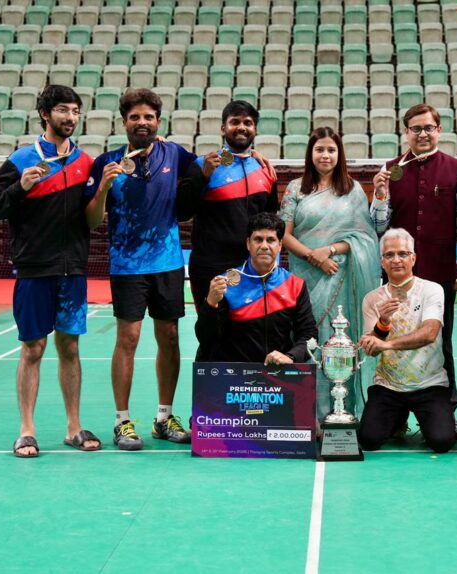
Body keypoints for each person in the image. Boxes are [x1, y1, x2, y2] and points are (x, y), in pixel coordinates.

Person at [0, 84, 100, 457]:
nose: (70, 117)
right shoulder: (21, 160)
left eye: (76, 111)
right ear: (45, 114)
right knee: (33, 347)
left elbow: (92, 215)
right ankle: (27, 430)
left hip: (72, 268)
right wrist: (20, 187)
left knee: (70, 346)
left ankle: (73, 427)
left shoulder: (85, 162)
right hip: (34, 268)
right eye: (64, 110)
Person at [85, 88, 194, 450]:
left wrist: (252, 155)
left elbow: (212, 167)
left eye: (148, 117)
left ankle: (164, 418)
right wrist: (103, 187)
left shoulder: (174, 153)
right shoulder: (106, 162)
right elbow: (91, 221)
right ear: (124, 122)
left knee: (170, 337)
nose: (142, 122)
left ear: (159, 122)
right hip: (127, 266)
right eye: (135, 117)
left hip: (168, 263)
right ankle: (122, 421)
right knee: (128, 339)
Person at [371, 103, 457, 441]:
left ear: (439, 130)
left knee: (441, 344)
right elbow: (378, 226)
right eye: (415, 128)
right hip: (395, 279)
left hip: (440, 275)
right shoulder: (388, 170)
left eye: (428, 127)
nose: (422, 134)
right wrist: (379, 196)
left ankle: (449, 412)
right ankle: (396, 416)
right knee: (392, 341)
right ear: (406, 132)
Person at [279, 127, 380, 422]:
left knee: (340, 340)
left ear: (340, 154)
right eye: (320, 149)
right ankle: (308, 415)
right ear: (310, 153)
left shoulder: (352, 190)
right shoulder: (296, 189)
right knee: (309, 338)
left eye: (331, 150)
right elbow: (283, 234)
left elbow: (365, 237)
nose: (325, 155)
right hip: (305, 278)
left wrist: (330, 250)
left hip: (343, 279)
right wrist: (314, 257)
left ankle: (342, 410)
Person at [182, 100, 279, 361]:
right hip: (210, 267)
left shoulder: (265, 169)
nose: (241, 127)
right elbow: (182, 212)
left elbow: (271, 221)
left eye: (248, 123)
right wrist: (203, 176)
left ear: (255, 129)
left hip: (252, 267)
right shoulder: (204, 164)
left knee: (251, 335)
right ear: (223, 127)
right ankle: (211, 388)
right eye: (235, 122)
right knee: (211, 335)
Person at [357, 228, 457, 453]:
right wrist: (383, 322)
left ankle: (422, 416)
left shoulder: (432, 290)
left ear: (413, 258)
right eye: (389, 255)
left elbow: (430, 333)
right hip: (388, 385)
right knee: (369, 440)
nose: (396, 260)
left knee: (442, 442)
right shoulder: (372, 299)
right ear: (382, 262)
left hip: (429, 384)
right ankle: (398, 417)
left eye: (403, 254)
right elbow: (372, 349)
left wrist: (388, 344)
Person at [199, 213, 317, 364]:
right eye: (258, 239)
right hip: (235, 373)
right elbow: (206, 339)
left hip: (277, 371)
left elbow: (309, 335)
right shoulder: (225, 284)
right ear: (248, 244)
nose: (264, 246)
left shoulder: (295, 285)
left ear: (280, 245)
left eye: (271, 240)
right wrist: (210, 305)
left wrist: (290, 356)